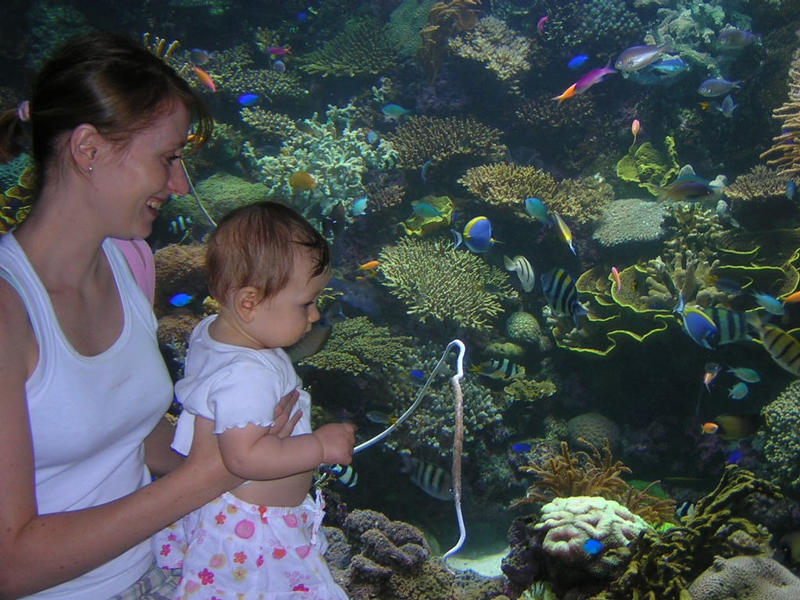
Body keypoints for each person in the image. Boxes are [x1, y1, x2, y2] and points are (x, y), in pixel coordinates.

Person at [0, 33, 300, 600]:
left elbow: (125, 432)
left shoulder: (130, 261)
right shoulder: (8, 312)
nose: (180, 184)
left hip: (159, 568)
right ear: (88, 150)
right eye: (167, 159)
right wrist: (211, 475)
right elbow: (10, 565)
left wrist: (242, 444)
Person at [153, 201, 355, 599]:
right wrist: (320, 446)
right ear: (248, 303)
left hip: (230, 519)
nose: (315, 315)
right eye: (306, 303)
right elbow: (243, 458)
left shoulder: (214, 332)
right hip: (255, 536)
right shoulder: (248, 374)